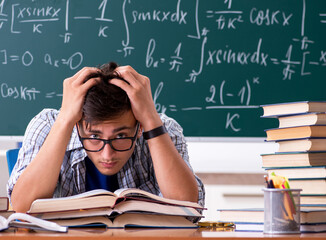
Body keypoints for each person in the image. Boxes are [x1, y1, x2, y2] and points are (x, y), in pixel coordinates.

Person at [7, 62, 205, 215]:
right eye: (94, 136)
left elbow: (187, 207)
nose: (107, 154)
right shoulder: (49, 125)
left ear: (138, 126)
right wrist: (65, 121)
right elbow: (22, 208)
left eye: (120, 136)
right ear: (78, 125)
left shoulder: (162, 128)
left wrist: (151, 120)